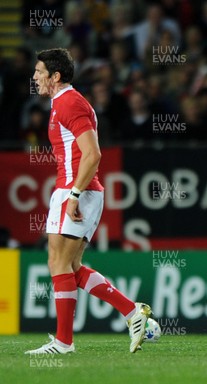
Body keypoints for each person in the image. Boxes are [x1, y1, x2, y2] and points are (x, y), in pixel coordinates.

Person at [26, 48, 151, 355]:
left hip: (76, 190)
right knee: (69, 265)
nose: (35, 77)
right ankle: (133, 313)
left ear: (55, 76)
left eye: (40, 72)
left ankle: (64, 343)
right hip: (71, 188)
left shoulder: (69, 102)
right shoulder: (62, 103)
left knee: (58, 264)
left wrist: (74, 195)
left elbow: (93, 154)